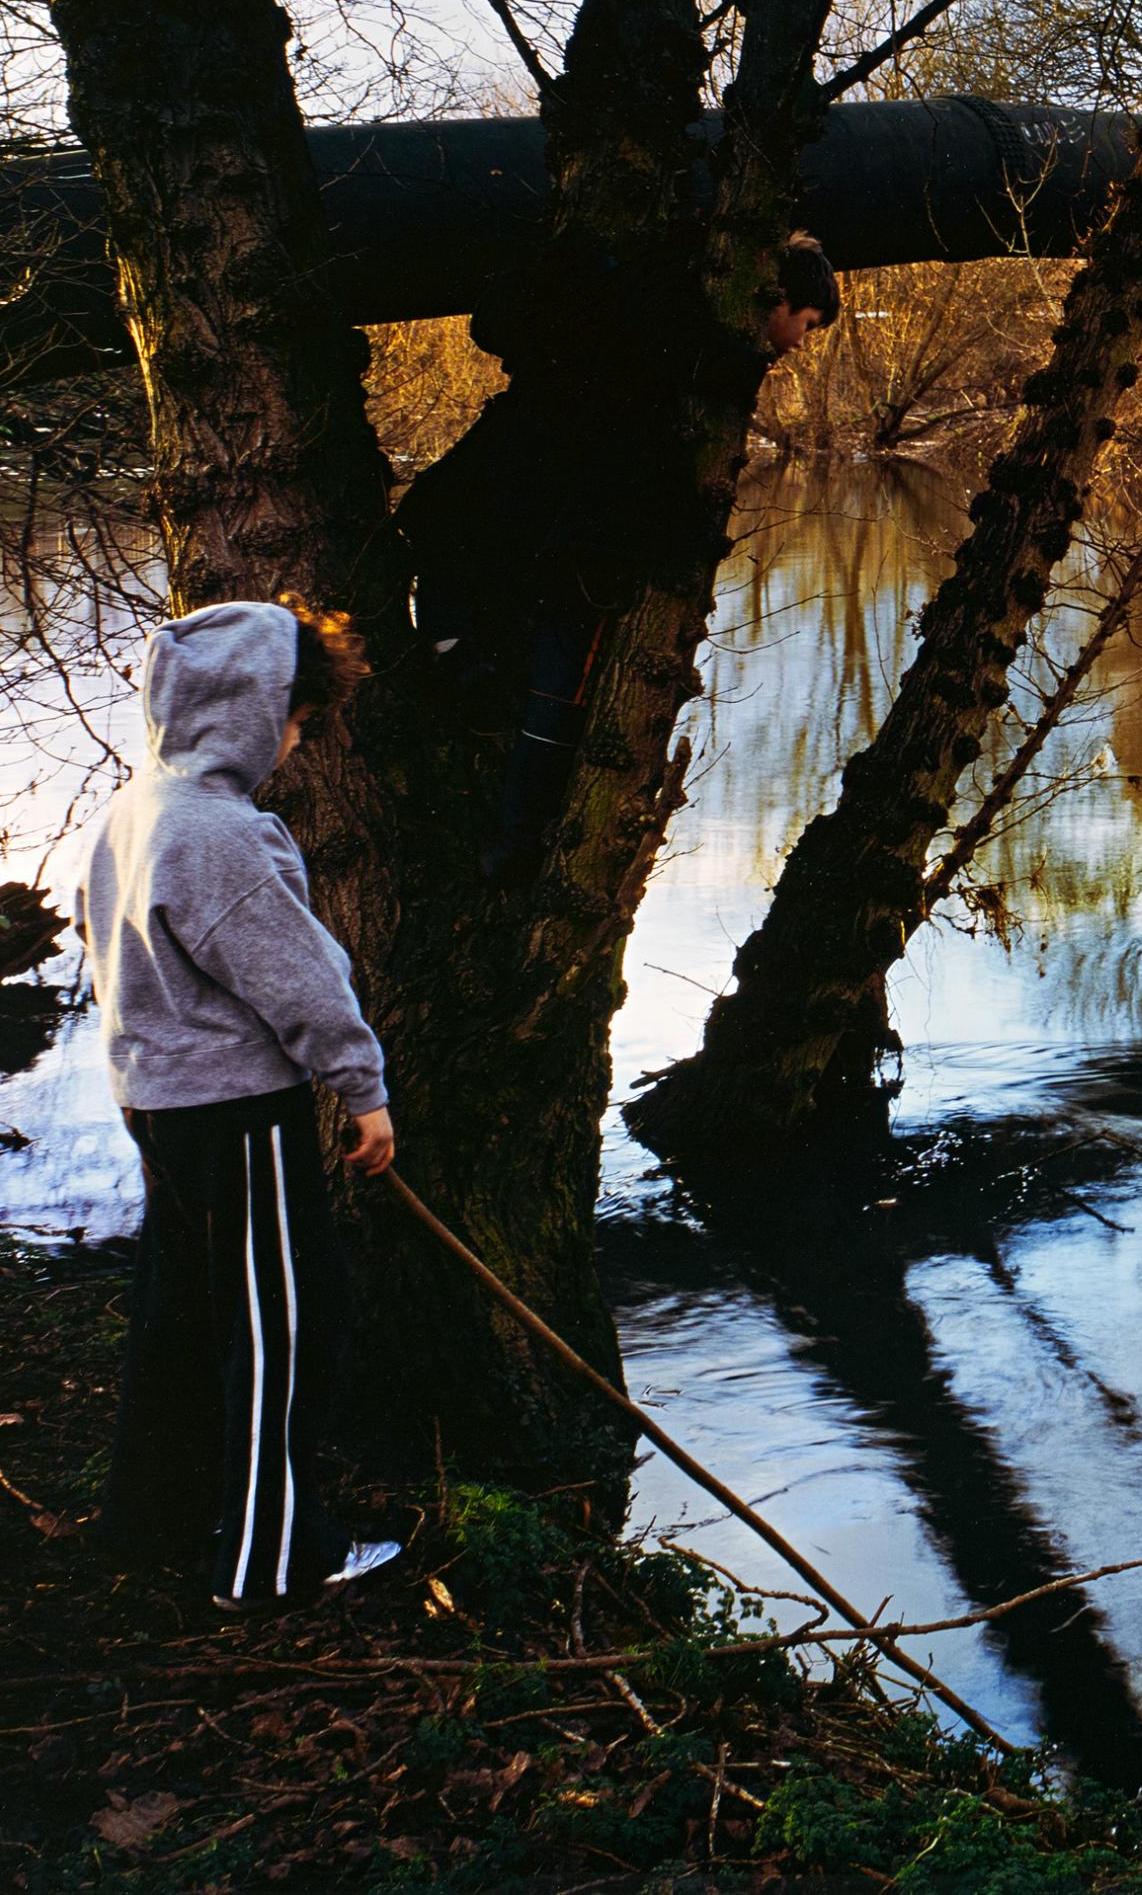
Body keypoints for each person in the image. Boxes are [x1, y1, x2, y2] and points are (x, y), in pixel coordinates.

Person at [79, 597, 403, 1610]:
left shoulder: (134, 808)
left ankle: (154, 1521)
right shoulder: (220, 832)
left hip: (157, 1104)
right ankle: (270, 1565)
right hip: (238, 1115)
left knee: (184, 1314)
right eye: (296, 720)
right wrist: (362, 1090)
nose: (295, 742)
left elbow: (107, 958)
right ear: (252, 709)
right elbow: (302, 981)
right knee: (286, 1330)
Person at [395, 233, 839, 870]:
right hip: (570, 545)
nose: (799, 342)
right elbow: (688, 369)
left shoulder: (612, 308)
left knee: (527, 677)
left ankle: (466, 697)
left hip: (505, 515)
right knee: (557, 697)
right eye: (809, 323)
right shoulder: (658, 315)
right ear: (777, 297)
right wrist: (742, 372)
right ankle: (516, 848)